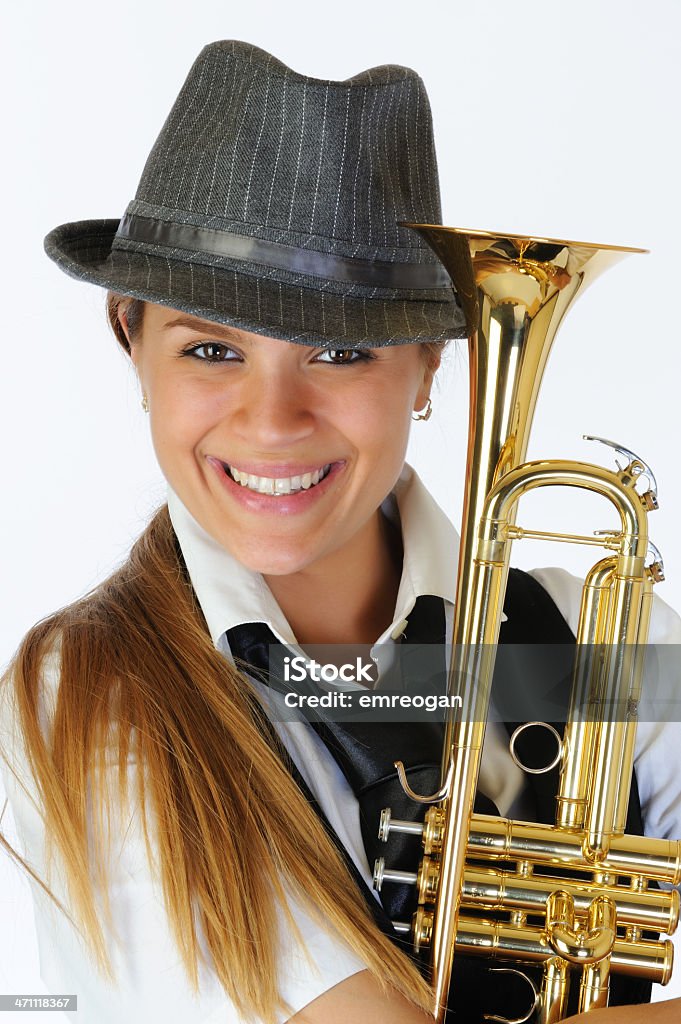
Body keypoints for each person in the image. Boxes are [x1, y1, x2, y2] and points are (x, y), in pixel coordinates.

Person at [1, 39, 680, 1024]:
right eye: (209, 348)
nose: (272, 419)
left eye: (341, 349)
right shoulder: (82, 697)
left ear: (428, 369)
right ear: (132, 346)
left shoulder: (603, 636)